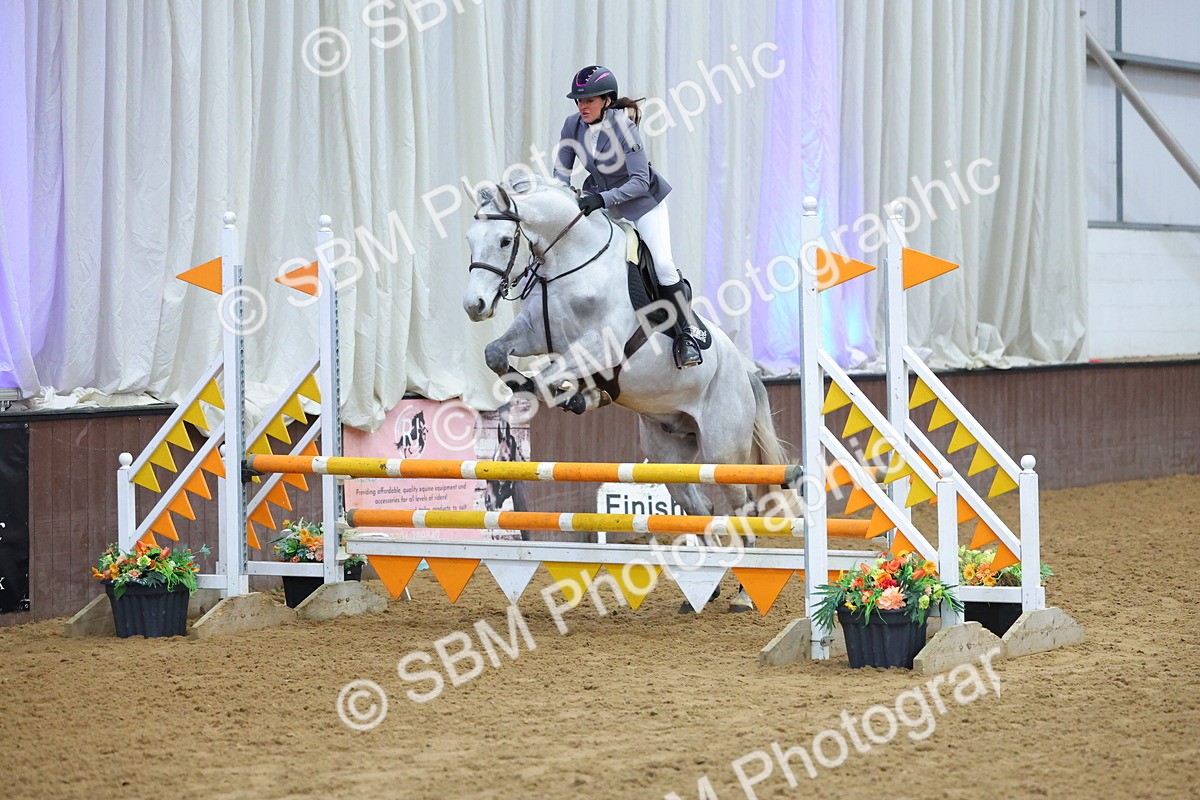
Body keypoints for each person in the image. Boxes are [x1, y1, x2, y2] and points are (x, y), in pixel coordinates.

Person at [552, 64, 705, 369]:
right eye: (579, 101)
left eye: (589, 101)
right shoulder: (572, 126)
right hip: (602, 203)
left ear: (607, 100)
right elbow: (561, 173)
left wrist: (601, 199)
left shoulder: (624, 127)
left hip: (642, 203)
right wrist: (559, 199)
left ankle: (687, 332)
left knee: (662, 262)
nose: (583, 107)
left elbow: (638, 180)